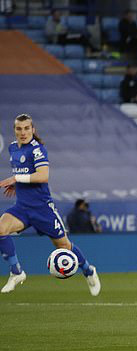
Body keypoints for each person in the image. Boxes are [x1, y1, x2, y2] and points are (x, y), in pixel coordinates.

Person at [0, 114, 101, 295]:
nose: (23, 132)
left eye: (26, 128)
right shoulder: (13, 148)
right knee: (1, 228)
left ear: (33, 129)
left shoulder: (37, 150)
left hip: (42, 209)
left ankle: (88, 270)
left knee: (64, 246)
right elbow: (25, 172)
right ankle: (16, 272)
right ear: (14, 130)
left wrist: (16, 178)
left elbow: (42, 176)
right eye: (19, 129)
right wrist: (18, 184)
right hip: (22, 208)